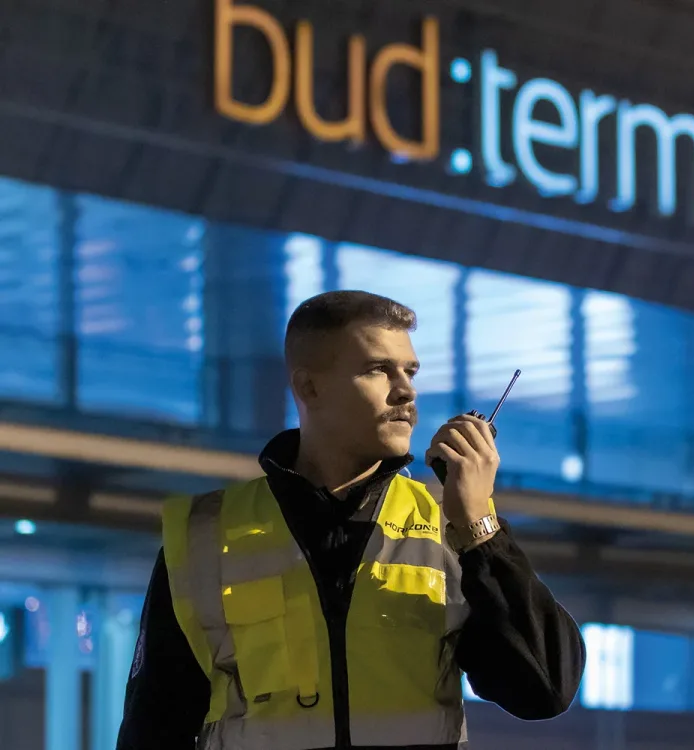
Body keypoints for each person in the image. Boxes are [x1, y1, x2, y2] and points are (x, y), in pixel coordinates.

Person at [117, 290, 586, 750]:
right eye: (377, 369)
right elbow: (154, 728)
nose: (405, 390)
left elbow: (544, 690)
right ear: (309, 387)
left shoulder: (454, 531)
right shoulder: (205, 537)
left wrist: (481, 526)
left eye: (410, 371)